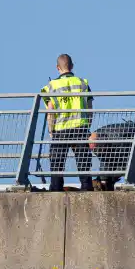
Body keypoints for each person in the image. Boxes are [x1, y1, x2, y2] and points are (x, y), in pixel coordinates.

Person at [41, 54, 93, 192]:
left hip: (60, 129)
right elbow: (90, 108)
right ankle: (87, 189)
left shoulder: (52, 86)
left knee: (57, 163)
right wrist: (88, 125)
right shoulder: (82, 83)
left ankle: (56, 190)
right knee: (84, 162)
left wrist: (51, 130)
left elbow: (50, 111)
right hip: (80, 128)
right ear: (72, 66)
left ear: (58, 68)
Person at [89, 120, 135, 191]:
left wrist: (112, 176)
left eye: (99, 150)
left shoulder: (120, 139)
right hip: (128, 136)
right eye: (95, 151)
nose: (97, 152)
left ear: (103, 144)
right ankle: (107, 183)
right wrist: (103, 179)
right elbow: (105, 160)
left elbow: (128, 163)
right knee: (110, 166)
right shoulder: (95, 139)